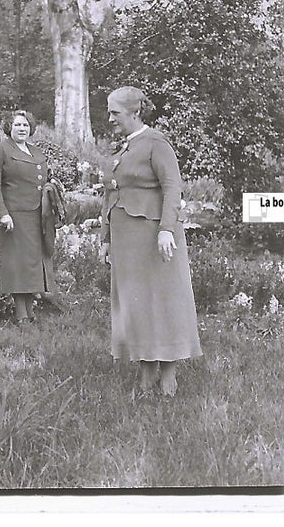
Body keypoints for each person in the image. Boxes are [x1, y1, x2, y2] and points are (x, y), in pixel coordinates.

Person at [99, 86, 202, 396]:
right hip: (126, 240)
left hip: (154, 239)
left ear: (135, 112)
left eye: (115, 112)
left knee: (162, 302)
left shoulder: (156, 143)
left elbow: (173, 187)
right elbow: (110, 195)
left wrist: (167, 229)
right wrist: (105, 238)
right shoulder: (125, 148)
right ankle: (146, 373)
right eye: (109, 111)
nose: (110, 118)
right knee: (137, 304)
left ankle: (168, 374)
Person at [0, 110, 59, 324]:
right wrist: (2, 213)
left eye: (25, 125)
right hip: (15, 215)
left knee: (32, 262)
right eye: (17, 125)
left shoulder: (36, 151)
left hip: (37, 215)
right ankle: (21, 314)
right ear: (9, 127)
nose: (22, 129)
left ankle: (30, 311)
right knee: (18, 262)